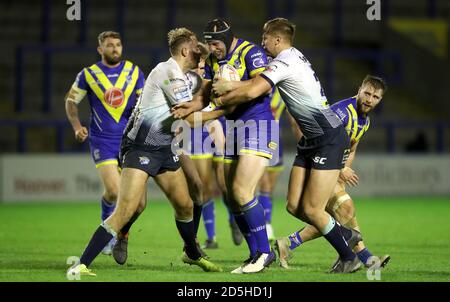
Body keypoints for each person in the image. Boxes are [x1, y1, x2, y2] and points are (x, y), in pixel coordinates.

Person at [67, 28, 222, 277]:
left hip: (165, 147)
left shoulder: (185, 75)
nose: (197, 50)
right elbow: (190, 119)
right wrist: (223, 110)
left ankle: (192, 254)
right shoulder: (168, 72)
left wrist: (210, 67)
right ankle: (81, 265)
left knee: (185, 206)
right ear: (184, 51)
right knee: (127, 209)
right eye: (194, 47)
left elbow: (202, 85)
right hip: (140, 146)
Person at [212, 18, 363, 273]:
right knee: (295, 206)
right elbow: (251, 86)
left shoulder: (285, 61)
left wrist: (226, 86)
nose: (262, 43)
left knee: (314, 209)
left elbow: (253, 91)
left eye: (265, 38)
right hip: (310, 140)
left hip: (328, 136)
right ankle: (343, 232)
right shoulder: (292, 57)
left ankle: (349, 256)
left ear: (278, 40)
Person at [173, 18, 278, 274]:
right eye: (209, 43)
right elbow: (205, 95)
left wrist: (207, 113)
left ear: (230, 38)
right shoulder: (211, 60)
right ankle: (254, 254)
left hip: (258, 125)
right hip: (233, 128)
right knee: (232, 198)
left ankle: (265, 252)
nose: (213, 48)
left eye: (217, 43)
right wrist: (189, 108)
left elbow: (260, 89)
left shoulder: (251, 53)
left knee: (243, 191)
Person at [275, 75, 391, 270]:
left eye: (375, 97)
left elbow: (352, 147)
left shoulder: (365, 121)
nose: (370, 100)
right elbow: (322, 139)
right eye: (367, 93)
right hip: (318, 164)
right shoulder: (340, 112)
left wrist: (342, 168)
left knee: (335, 214)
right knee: (343, 210)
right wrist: (339, 168)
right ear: (359, 89)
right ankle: (365, 258)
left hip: (331, 167)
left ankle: (289, 243)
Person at [64, 31, 146, 256]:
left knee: (123, 198)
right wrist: (76, 126)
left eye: (118, 45)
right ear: (100, 49)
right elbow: (71, 101)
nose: (115, 49)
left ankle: (115, 229)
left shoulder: (134, 72)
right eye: (110, 45)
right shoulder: (88, 74)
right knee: (115, 190)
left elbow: (145, 103)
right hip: (103, 140)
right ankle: (109, 235)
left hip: (129, 141)